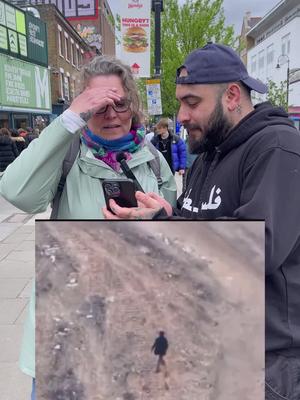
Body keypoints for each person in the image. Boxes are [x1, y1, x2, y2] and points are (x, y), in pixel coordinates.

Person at [103, 43, 300, 400]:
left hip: (265, 363)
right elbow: (201, 228)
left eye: (192, 102)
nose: (181, 115)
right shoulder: (208, 154)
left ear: (232, 96)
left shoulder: (276, 147)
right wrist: (163, 216)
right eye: (180, 103)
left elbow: (254, 249)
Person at [0, 55, 177, 400]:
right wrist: (66, 122)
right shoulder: (66, 156)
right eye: (97, 105)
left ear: (133, 105)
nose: (111, 114)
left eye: (119, 103)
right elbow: (17, 193)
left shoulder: (155, 162)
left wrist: (165, 218)